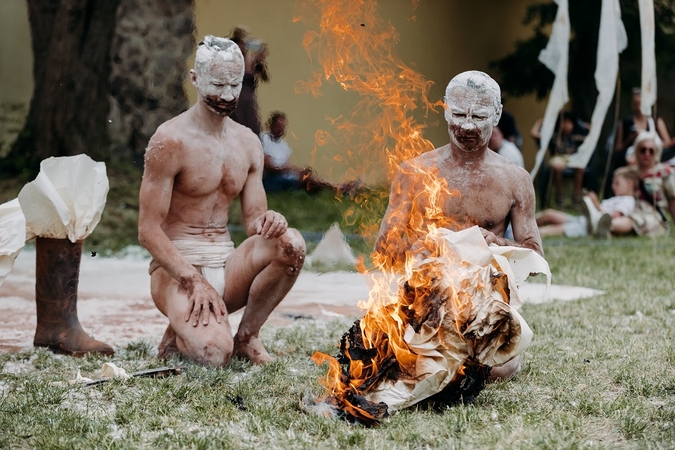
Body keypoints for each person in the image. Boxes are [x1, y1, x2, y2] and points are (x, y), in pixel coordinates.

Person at [138, 36, 306, 367]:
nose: (228, 95)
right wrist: (192, 279)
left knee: (292, 245)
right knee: (214, 354)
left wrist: (272, 221)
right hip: (177, 270)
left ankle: (247, 337)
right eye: (217, 84)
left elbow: (254, 222)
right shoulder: (170, 140)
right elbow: (148, 230)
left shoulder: (247, 142)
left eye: (235, 84)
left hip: (226, 265)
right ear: (195, 79)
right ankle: (182, 326)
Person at [374, 71, 543, 381]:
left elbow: (534, 257)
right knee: (394, 360)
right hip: (425, 300)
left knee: (501, 367)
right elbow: (384, 249)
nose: (467, 126)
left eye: (478, 116)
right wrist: (437, 244)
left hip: (482, 301)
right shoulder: (415, 172)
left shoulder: (515, 179)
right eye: (458, 113)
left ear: (497, 115)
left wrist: (494, 243)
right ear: (444, 110)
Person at [536, 166, 640, 239]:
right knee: (549, 214)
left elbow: (612, 217)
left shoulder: (628, 201)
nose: (613, 186)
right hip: (583, 220)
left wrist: (596, 204)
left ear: (630, 184)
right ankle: (522, 224)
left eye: (617, 183)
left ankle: (529, 234)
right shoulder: (615, 198)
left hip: (589, 227)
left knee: (555, 229)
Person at [609, 131, 675, 237]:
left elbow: (673, 203)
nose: (647, 154)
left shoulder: (666, 173)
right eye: (643, 150)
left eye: (651, 151)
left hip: (654, 218)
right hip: (627, 212)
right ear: (636, 151)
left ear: (657, 153)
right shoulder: (628, 173)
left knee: (636, 220)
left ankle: (608, 225)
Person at [260, 111, 338, 194]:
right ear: (271, 125)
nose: (281, 129)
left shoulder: (283, 144)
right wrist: (289, 168)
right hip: (271, 179)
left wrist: (296, 169)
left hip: (284, 176)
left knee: (309, 175)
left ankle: (335, 187)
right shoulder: (265, 138)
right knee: (309, 178)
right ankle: (337, 188)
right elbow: (268, 167)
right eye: (278, 126)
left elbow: (288, 164)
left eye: (283, 126)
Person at [531, 112, 590, 208]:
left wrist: (582, 124)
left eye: (569, 122)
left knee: (581, 166)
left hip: (572, 159)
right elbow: (534, 134)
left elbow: (593, 135)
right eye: (564, 122)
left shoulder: (576, 136)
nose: (566, 125)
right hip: (557, 158)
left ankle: (576, 197)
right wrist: (540, 122)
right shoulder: (553, 135)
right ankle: (559, 197)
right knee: (557, 167)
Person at [228, 27, 269, 135]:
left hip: (248, 93)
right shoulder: (232, 57)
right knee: (238, 122)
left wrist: (259, 62)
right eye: (242, 42)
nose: (244, 46)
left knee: (251, 124)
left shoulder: (250, 59)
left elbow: (265, 77)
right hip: (237, 93)